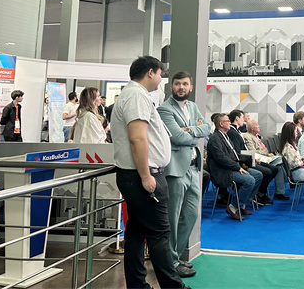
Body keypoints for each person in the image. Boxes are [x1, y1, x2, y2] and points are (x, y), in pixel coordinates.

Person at [111, 56, 189, 289]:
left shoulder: (135, 95)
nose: (161, 79)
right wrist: (146, 176)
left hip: (139, 175)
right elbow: (137, 138)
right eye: (161, 74)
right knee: (159, 234)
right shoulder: (136, 96)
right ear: (150, 73)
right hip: (142, 176)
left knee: (137, 232)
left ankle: (137, 285)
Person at [156, 71, 211, 278]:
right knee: (172, 216)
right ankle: (170, 262)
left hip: (193, 168)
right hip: (175, 170)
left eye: (185, 84)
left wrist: (189, 130)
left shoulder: (193, 107)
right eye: (177, 84)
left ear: (190, 87)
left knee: (190, 215)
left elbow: (207, 128)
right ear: (171, 87)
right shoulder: (164, 109)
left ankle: (176, 256)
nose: (181, 87)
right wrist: (194, 132)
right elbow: (177, 137)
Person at [207, 113, 262, 221]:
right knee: (249, 180)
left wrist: (242, 162)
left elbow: (233, 154)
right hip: (223, 171)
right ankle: (233, 207)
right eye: (227, 121)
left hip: (231, 167)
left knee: (258, 175)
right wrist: (237, 167)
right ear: (221, 124)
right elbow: (221, 158)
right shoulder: (215, 139)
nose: (230, 122)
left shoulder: (225, 136)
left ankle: (241, 204)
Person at [226, 110, 274, 205]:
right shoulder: (233, 132)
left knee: (271, 170)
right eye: (242, 117)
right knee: (265, 172)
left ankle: (253, 196)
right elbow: (237, 151)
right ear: (237, 118)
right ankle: (251, 197)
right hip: (242, 163)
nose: (244, 120)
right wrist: (246, 162)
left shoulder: (236, 131)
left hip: (246, 160)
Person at [242, 119, 289, 200]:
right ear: (252, 128)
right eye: (257, 125)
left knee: (279, 165)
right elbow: (252, 151)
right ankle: (286, 181)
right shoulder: (247, 136)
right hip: (260, 158)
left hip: (265, 157)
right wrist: (266, 153)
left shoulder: (256, 136)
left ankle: (279, 192)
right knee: (280, 160)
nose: (259, 126)